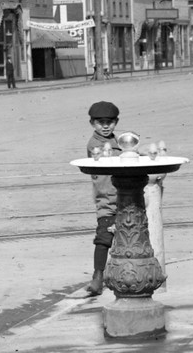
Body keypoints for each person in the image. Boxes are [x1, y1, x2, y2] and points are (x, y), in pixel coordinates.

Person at [84, 100, 121, 296]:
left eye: (110, 122)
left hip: (124, 197)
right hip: (107, 201)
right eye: (100, 122)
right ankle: (97, 276)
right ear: (92, 123)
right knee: (104, 238)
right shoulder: (94, 144)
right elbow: (98, 156)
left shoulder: (120, 142)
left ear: (116, 122)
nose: (105, 126)